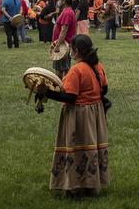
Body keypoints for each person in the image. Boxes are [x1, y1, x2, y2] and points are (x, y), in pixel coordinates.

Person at [34, 34, 110, 195]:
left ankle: (75, 186)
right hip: (95, 113)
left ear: (75, 51)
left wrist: (46, 92)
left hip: (79, 114)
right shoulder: (98, 66)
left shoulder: (76, 69)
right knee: (90, 148)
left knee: (77, 149)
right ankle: (90, 185)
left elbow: (70, 97)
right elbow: (104, 89)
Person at [51, 0, 77, 79]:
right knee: (64, 69)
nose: (59, 1)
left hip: (63, 45)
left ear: (64, 1)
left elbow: (64, 30)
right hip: (64, 44)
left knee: (60, 70)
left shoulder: (67, 12)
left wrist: (58, 45)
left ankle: (61, 89)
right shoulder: (67, 11)